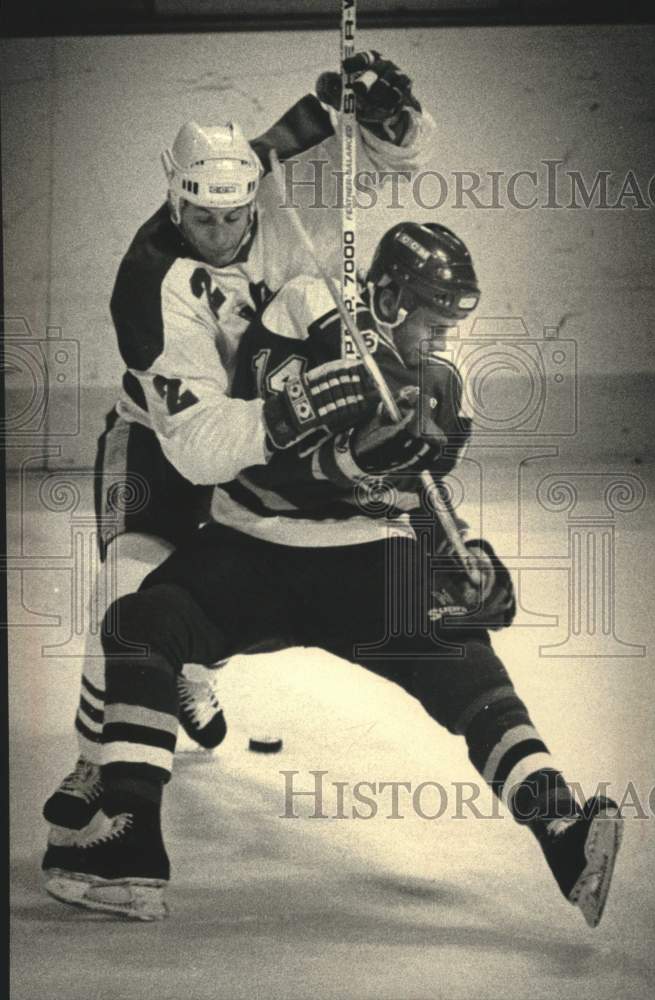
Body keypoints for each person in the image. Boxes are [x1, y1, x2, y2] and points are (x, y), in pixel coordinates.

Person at [42, 221, 622, 927]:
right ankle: (131, 842)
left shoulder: (440, 386)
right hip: (253, 548)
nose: (440, 340)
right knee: (138, 622)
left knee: (467, 661)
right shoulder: (305, 308)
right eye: (430, 320)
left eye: (449, 324)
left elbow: (416, 494)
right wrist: (320, 420)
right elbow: (245, 452)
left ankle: (560, 828)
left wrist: (458, 557)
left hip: (358, 558)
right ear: (385, 294)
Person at [42, 53, 436, 835]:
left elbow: (394, 155)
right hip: (163, 439)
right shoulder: (144, 283)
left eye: (233, 216)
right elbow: (193, 449)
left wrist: (396, 116)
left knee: (219, 591)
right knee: (127, 591)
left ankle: (185, 666)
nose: (220, 234)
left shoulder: (281, 188)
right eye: (201, 220)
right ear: (172, 199)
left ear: (251, 192)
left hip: (259, 432)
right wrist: (288, 418)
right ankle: (94, 757)